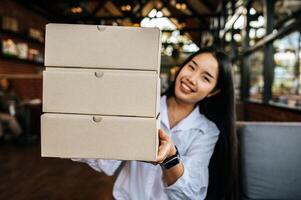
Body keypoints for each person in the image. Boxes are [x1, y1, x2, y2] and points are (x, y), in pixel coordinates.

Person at [72, 47, 238, 200]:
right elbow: (105, 161)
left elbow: (189, 195)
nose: (192, 78)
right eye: (191, 67)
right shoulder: (142, 106)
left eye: (205, 78)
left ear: (214, 91)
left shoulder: (207, 131)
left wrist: (170, 157)